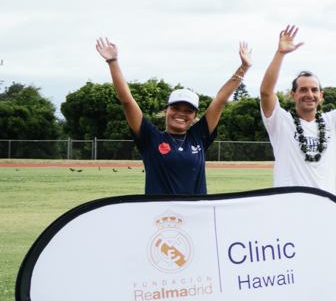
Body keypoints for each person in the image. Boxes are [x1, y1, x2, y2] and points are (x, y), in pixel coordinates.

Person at [96, 37, 249, 196]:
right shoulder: (150, 138)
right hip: (162, 217)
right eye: (175, 108)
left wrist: (244, 67)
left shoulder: (199, 136)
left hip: (195, 213)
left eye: (188, 111)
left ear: (195, 116)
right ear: (165, 111)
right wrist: (112, 61)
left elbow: (220, 99)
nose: (181, 114)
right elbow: (127, 101)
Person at [258, 25, 336, 193]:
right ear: (293, 95)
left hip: (324, 208)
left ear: (321, 96)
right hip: (289, 206)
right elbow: (266, 92)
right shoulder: (281, 121)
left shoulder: (333, 122)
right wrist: (280, 53)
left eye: (314, 90)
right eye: (303, 90)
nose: (309, 94)